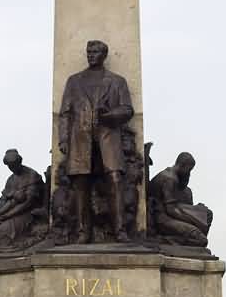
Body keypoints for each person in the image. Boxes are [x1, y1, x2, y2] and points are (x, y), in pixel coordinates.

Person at [58, 39, 134, 243]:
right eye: (89, 51)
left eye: (96, 52)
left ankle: (120, 230)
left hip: (108, 137)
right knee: (80, 183)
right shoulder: (74, 81)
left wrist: (109, 116)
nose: (91, 55)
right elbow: (65, 112)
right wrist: (63, 139)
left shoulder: (117, 81)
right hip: (80, 139)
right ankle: (83, 232)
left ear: (104, 55)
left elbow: (127, 110)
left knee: (115, 179)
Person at [148, 152, 212, 247]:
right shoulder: (169, 179)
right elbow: (171, 210)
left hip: (168, 216)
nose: (189, 173)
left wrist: (197, 210)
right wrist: (195, 220)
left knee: (207, 214)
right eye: (189, 169)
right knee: (201, 239)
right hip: (162, 220)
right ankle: (161, 240)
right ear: (182, 165)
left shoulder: (173, 178)